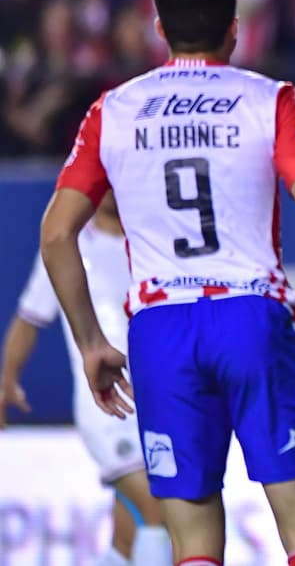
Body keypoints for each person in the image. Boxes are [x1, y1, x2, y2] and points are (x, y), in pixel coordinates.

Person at [39, 0, 295, 566]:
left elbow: (57, 234)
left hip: (160, 330)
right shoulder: (270, 99)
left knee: (191, 546)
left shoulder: (112, 110)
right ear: (234, 27)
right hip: (250, 318)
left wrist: (90, 343)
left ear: (158, 28)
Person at [2, 191, 173, 566]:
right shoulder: (68, 245)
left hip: (158, 403)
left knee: (127, 539)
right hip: (107, 406)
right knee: (160, 508)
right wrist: (6, 380)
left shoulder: (152, 243)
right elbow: (30, 318)